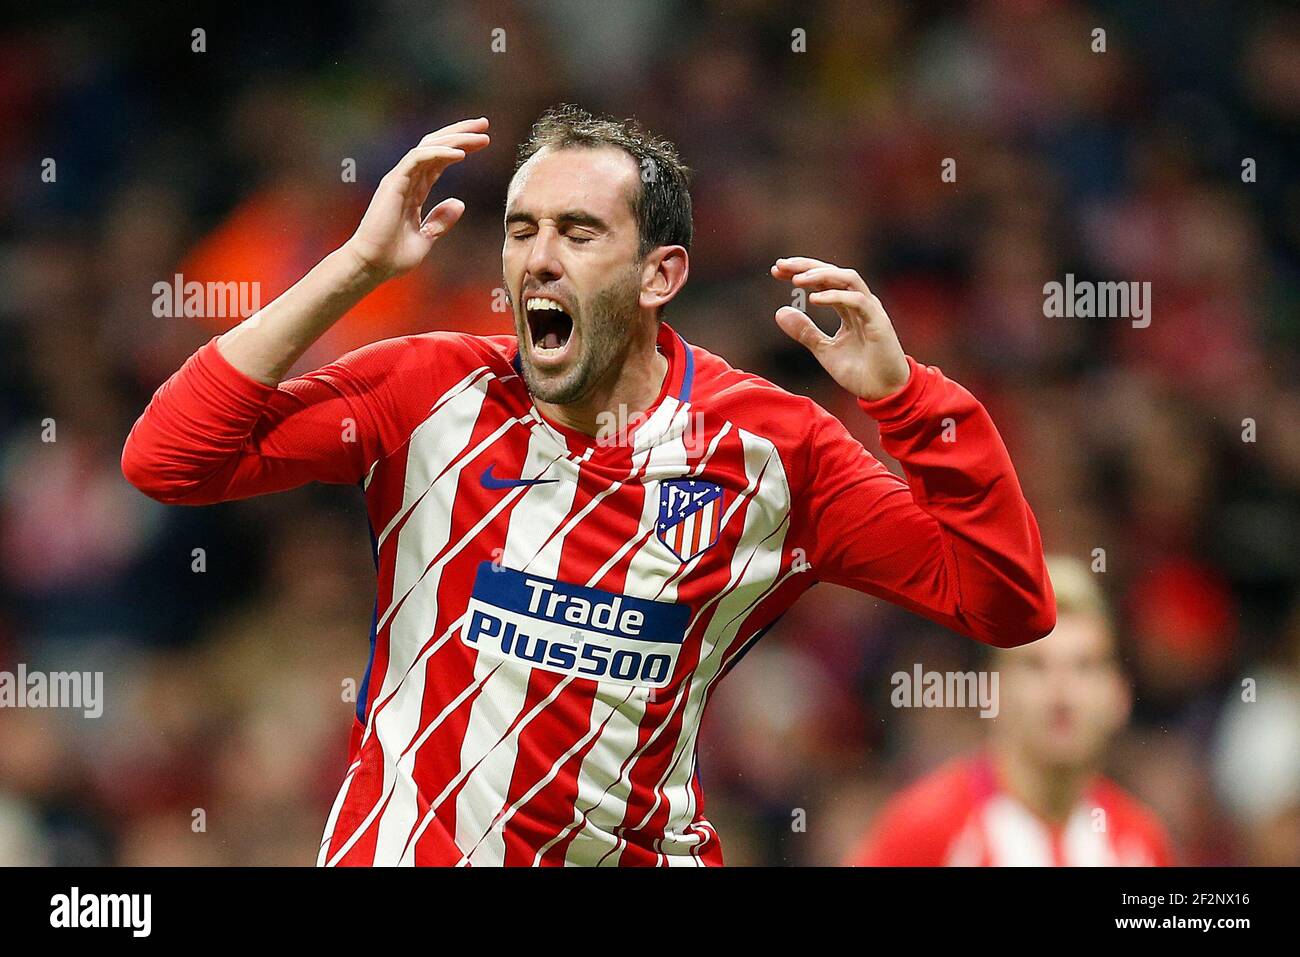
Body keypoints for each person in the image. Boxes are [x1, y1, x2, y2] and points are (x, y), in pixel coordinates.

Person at [121, 104, 1055, 866]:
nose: (539, 257)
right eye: (522, 230)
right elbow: (167, 457)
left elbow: (1004, 602)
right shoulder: (432, 390)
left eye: (578, 231)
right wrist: (356, 268)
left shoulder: (772, 449)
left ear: (661, 273)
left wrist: (907, 400)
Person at [845, 556, 1173, 866]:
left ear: (1119, 695)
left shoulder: (1140, 842)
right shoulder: (928, 829)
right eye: (1035, 666)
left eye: (1084, 667)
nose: (1062, 693)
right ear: (991, 691)